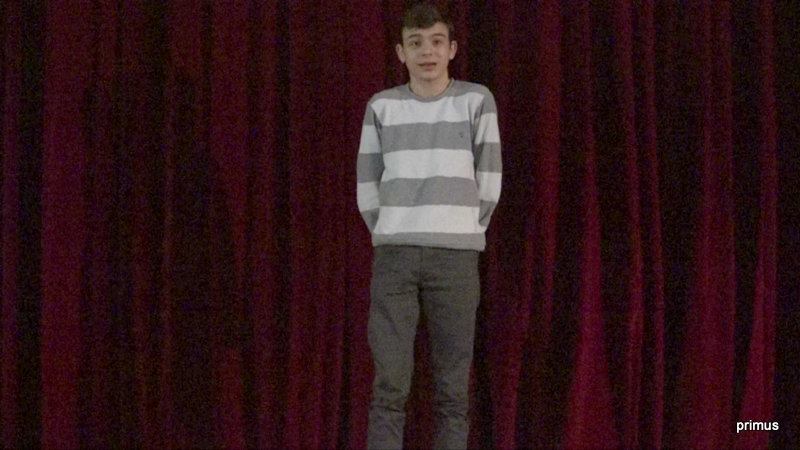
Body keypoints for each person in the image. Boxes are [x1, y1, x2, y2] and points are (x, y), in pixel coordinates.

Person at [356, 3, 501, 449]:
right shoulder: (382, 106)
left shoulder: (476, 100)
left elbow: (490, 179)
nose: (427, 52)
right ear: (401, 52)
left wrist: (462, 226)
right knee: (389, 387)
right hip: (395, 259)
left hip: (455, 260)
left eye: (437, 42)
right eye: (416, 43)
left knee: (453, 392)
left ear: (452, 49)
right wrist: (391, 228)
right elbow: (367, 181)